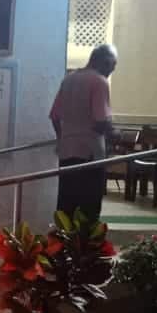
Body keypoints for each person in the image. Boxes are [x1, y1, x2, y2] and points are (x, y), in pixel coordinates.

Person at [50, 44, 118, 222]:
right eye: (112, 65)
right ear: (105, 61)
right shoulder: (99, 81)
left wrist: (62, 138)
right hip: (90, 153)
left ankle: (63, 245)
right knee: (88, 206)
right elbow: (101, 120)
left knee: (66, 203)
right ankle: (85, 247)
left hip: (67, 152)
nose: (112, 70)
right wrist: (114, 133)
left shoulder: (69, 79)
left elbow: (54, 116)